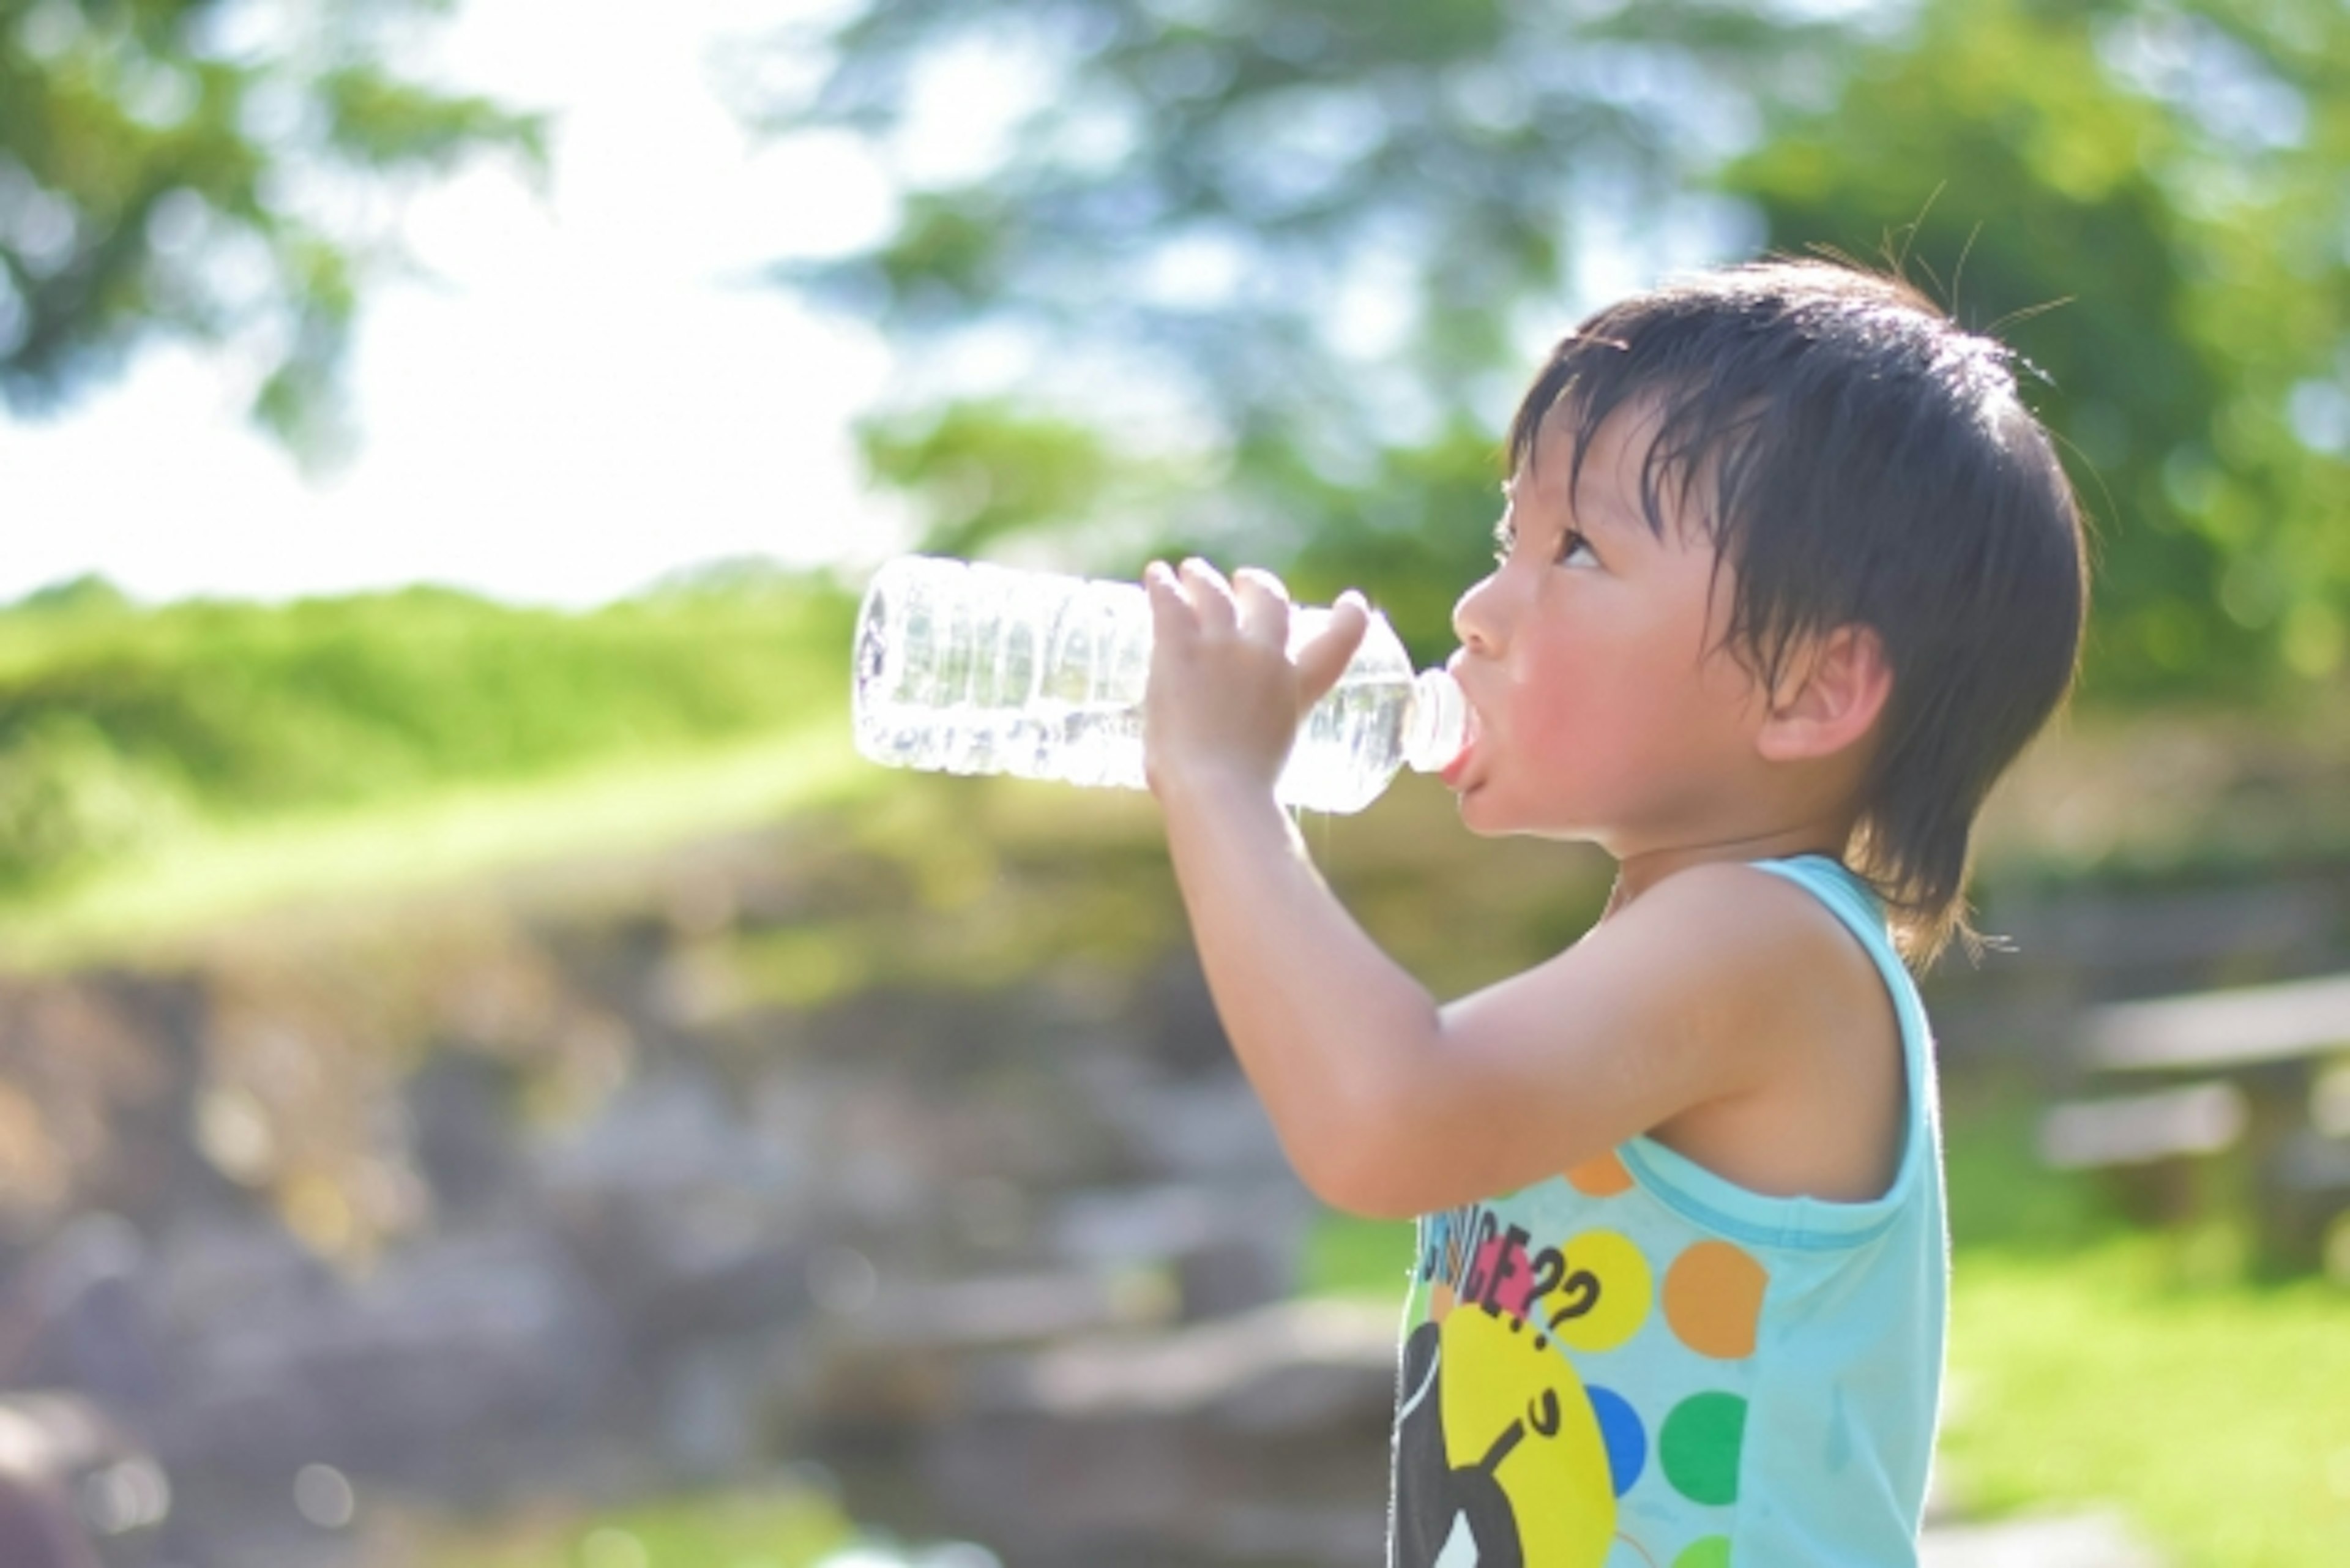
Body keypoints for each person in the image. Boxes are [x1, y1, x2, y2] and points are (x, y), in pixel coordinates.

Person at [1139, 259, 2087, 1567]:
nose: (1480, 610)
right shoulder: (1670, 943)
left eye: (1577, 550)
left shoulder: (1765, 946)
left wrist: (1218, 784)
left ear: (1812, 691)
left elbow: (1387, 1119)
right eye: (1506, 542)